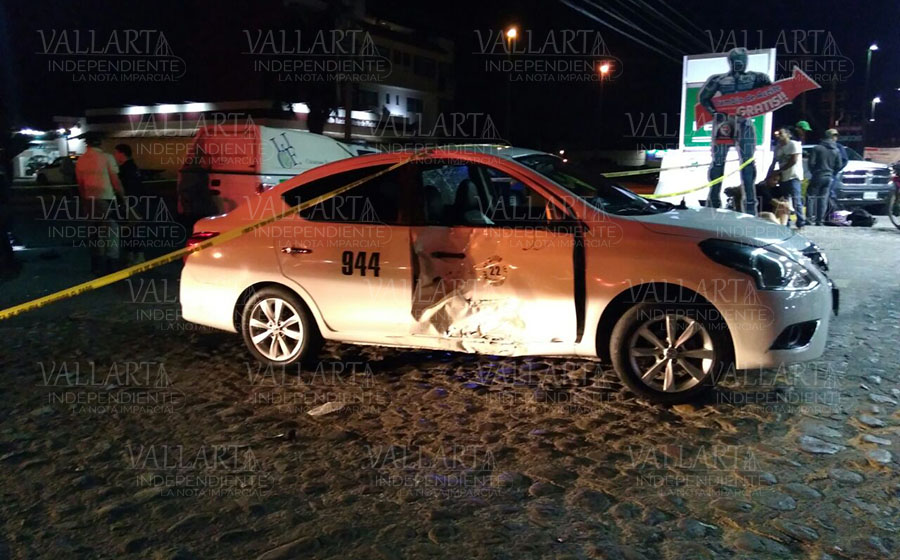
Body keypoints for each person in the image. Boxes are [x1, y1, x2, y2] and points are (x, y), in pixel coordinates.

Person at [698, 47, 772, 215]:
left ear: (746, 61)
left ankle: (750, 206)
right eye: (736, 61)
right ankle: (714, 201)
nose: (739, 64)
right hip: (724, 123)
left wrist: (764, 86)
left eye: (742, 61)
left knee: (747, 163)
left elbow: (771, 92)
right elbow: (704, 98)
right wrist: (714, 113)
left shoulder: (755, 77)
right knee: (717, 162)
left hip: (744, 122)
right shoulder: (719, 80)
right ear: (730, 62)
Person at [75, 133, 124, 275]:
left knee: (95, 233)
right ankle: (112, 265)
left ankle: (96, 265)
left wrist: (84, 202)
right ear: (100, 143)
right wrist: (124, 198)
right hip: (107, 198)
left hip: (90, 199)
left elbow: (80, 184)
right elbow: (115, 181)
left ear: (87, 144)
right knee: (112, 232)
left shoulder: (81, 160)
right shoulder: (107, 157)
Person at [114, 144, 146, 265]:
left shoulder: (125, 169)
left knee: (131, 230)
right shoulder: (133, 167)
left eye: (116, 153)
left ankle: (136, 255)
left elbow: (126, 187)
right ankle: (134, 255)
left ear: (122, 153)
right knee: (132, 230)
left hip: (130, 203)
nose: (115, 156)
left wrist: (125, 201)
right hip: (135, 201)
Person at [806, 130, 842, 226]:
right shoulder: (836, 150)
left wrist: (814, 172)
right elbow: (839, 165)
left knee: (811, 197)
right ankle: (820, 220)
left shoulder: (817, 148)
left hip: (818, 175)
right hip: (829, 176)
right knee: (823, 199)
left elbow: (811, 163)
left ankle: (809, 219)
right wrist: (832, 172)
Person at [772, 127, 806, 228]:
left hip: (793, 176)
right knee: (784, 200)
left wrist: (779, 170)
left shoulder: (794, 145)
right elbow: (774, 162)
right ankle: (786, 221)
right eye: (778, 134)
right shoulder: (778, 147)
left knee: (796, 199)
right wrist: (770, 174)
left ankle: (800, 222)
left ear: (788, 135)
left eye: (781, 133)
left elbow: (793, 160)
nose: (779, 136)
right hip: (783, 177)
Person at [826, 129, 849, 215]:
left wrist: (835, 170)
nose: (834, 138)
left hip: (832, 174)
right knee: (827, 194)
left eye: (835, 136)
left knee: (831, 193)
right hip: (825, 174)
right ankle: (826, 213)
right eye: (833, 135)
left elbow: (844, 160)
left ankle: (831, 213)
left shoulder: (839, 147)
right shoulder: (822, 146)